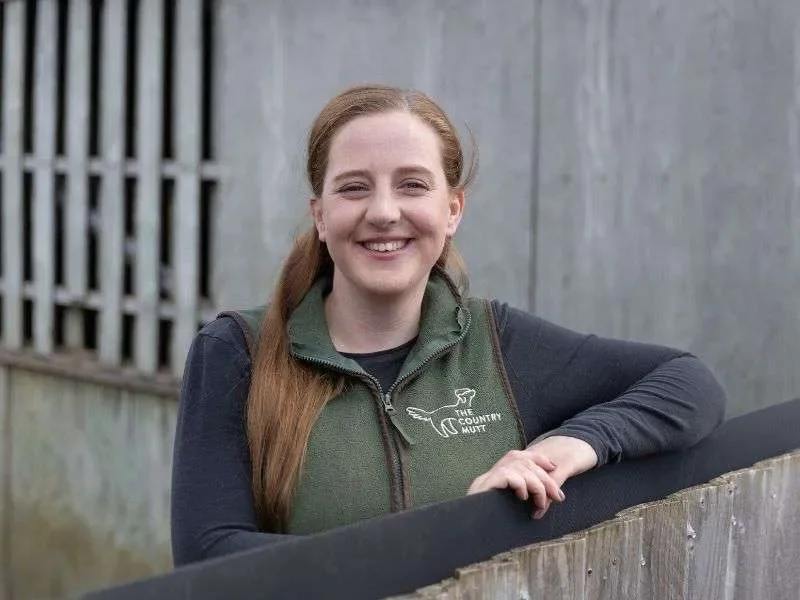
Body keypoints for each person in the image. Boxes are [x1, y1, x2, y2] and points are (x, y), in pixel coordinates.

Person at [170, 85, 726, 566]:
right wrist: (439, 544)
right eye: (354, 187)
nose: (384, 211)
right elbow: (208, 551)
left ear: (453, 209)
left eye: (412, 185)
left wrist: (572, 445)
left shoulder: (499, 343)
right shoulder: (238, 352)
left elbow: (688, 383)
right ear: (320, 214)